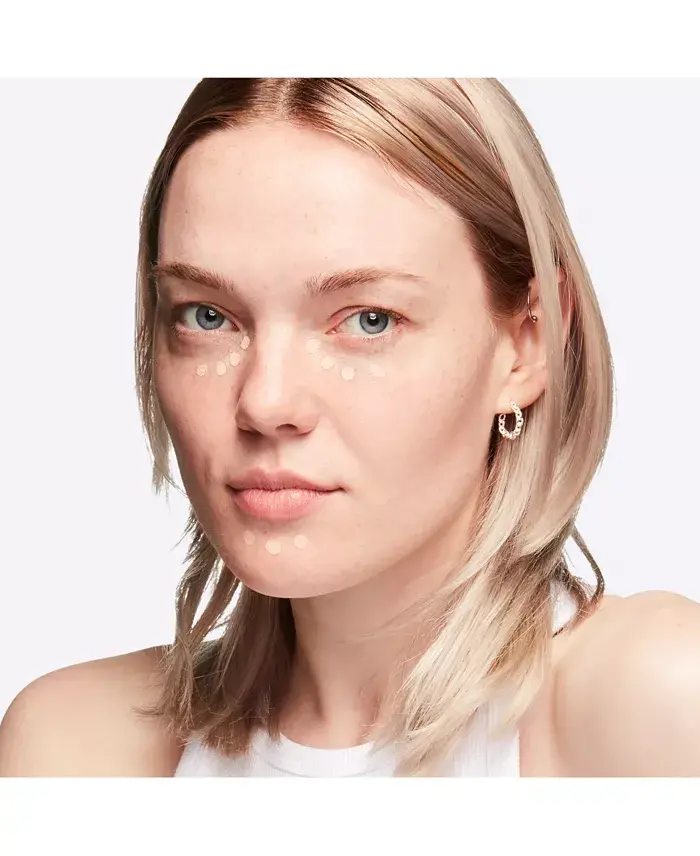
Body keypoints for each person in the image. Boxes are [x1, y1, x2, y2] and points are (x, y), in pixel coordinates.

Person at [1, 77, 699, 777]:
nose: (265, 402)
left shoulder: (653, 702)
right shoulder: (77, 748)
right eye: (207, 316)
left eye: (369, 320)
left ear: (527, 345)